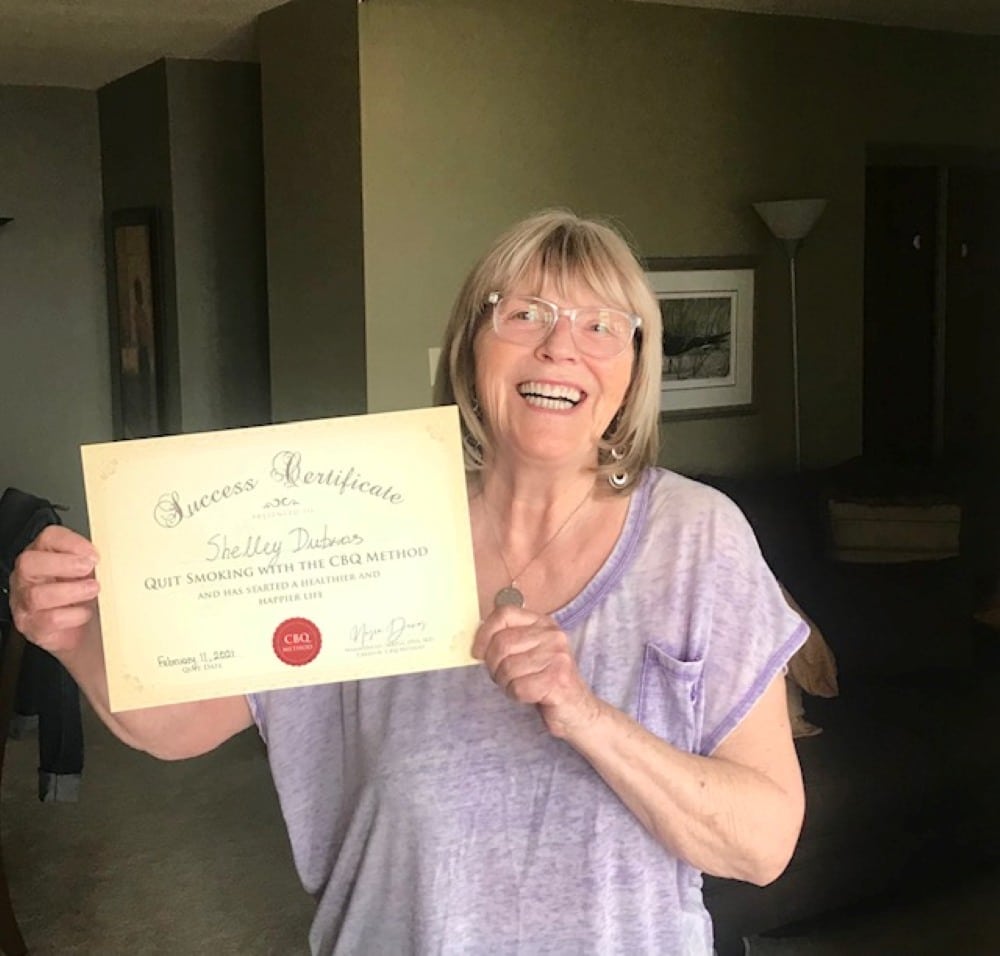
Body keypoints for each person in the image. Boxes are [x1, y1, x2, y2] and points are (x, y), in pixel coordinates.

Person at [11, 210, 807, 954]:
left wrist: (587, 716)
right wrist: (77, 635)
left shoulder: (696, 537)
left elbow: (763, 842)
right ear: (470, 348)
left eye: (603, 326)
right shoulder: (362, 526)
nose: (562, 348)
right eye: (524, 314)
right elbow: (182, 722)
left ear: (632, 372)